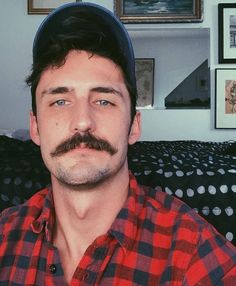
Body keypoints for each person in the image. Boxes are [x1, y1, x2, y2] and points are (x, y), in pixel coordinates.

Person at [0, 2, 235, 285]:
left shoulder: (195, 253)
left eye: (103, 100)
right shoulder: (5, 237)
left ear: (133, 126)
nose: (83, 121)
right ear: (35, 127)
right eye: (60, 101)